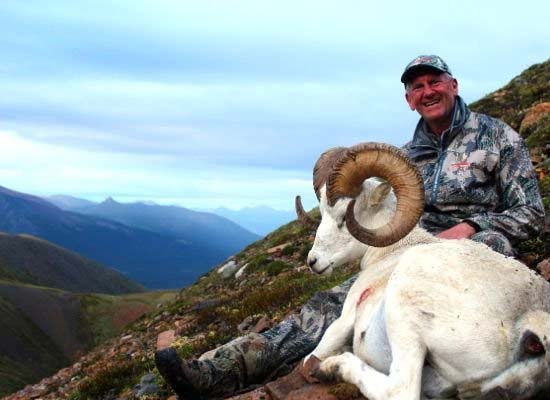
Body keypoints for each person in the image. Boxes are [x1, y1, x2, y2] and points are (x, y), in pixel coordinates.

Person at [155, 55, 545, 399]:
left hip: (475, 251)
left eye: (435, 82)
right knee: (328, 306)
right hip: (407, 250)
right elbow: (376, 213)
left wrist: (471, 226)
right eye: (417, 87)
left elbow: (532, 212)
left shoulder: (497, 138)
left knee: (481, 253)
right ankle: (218, 371)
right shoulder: (405, 158)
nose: (427, 91)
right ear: (409, 100)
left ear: (453, 85)